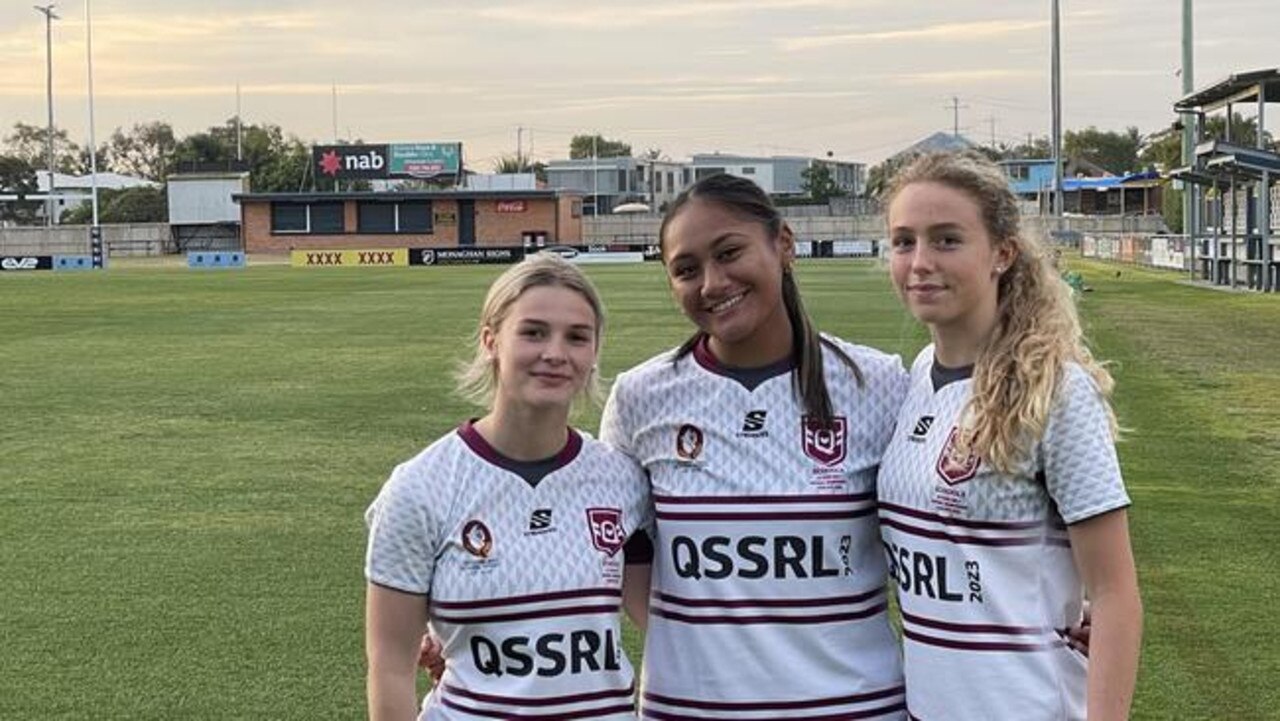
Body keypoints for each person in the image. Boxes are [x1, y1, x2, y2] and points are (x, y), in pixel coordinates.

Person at [600, 173, 909, 718]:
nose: (712, 283)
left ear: (783, 244)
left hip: (852, 707)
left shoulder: (875, 383)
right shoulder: (641, 398)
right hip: (693, 709)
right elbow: (613, 547)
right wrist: (705, 636)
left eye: (730, 252)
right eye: (686, 270)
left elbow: (946, 531)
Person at [877, 152, 1141, 720]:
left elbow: (1115, 592)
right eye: (903, 242)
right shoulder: (918, 376)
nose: (920, 262)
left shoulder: (1056, 389)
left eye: (946, 240)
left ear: (1002, 252)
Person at [364, 253, 652, 721]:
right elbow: (390, 667)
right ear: (491, 340)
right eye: (533, 332)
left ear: (595, 351)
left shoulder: (622, 478)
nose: (556, 353)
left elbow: (667, 620)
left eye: (577, 337)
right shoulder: (421, 487)